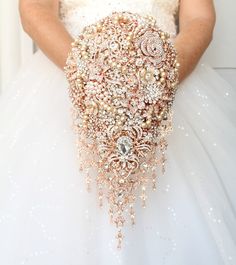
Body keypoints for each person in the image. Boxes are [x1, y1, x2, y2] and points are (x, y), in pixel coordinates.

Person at [0, 0, 235, 264]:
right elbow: (34, 10)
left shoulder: (162, 77)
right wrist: (91, 77)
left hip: (165, 81)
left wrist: (160, 78)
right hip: (68, 75)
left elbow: (200, 19)